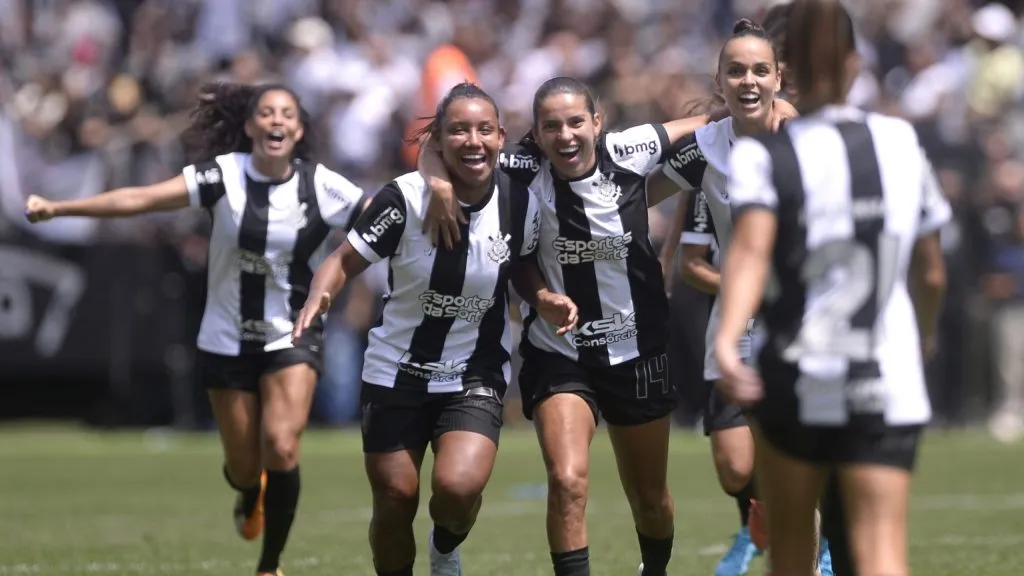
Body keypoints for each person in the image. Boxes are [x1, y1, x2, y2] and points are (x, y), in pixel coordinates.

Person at [419, 75, 773, 576]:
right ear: (535, 136)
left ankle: (654, 569)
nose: (565, 136)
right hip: (561, 354)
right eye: (551, 126)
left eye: (575, 123)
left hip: (639, 353)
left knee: (651, 501)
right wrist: (437, 181)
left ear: (597, 123)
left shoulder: (633, 147)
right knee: (567, 480)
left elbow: (717, 120)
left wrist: (784, 113)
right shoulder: (520, 167)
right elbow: (442, 145)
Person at [24, 82, 367, 576]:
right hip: (225, 338)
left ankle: (269, 566)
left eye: (286, 114)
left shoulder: (324, 186)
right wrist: (60, 208)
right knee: (244, 468)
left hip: (291, 335)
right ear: (249, 126)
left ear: (298, 129)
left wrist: (440, 193)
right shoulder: (223, 175)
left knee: (283, 444)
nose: (275, 121)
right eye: (265, 112)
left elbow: (386, 219)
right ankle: (250, 491)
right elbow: (141, 198)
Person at [292, 82, 578, 576]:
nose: (473, 140)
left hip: (474, 372)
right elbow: (341, 260)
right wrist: (321, 293)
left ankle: (445, 547)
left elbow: (522, 264)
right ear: (438, 142)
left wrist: (543, 297)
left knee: (458, 488)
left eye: (485, 130)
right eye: (459, 130)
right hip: (395, 373)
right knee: (395, 498)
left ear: (501, 136)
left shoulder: (521, 202)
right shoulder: (403, 199)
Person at [714, 1, 951, 575]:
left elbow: (747, 253)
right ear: (854, 65)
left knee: (792, 553)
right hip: (885, 377)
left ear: (786, 71)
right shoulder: (899, 141)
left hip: (797, 374)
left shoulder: (765, 154)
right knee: (880, 552)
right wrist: (920, 337)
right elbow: (933, 271)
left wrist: (725, 341)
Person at [658, 19, 834, 576]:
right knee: (736, 468)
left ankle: (817, 548)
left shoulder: (807, 143)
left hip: (802, 324)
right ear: (721, 80)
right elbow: (625, 185)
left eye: (760, 70)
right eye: (736, 70)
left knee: (794, 455)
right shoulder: (705, 152)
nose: (749, 80)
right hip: (735, 330)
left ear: (778, 77)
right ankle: (762, 521)